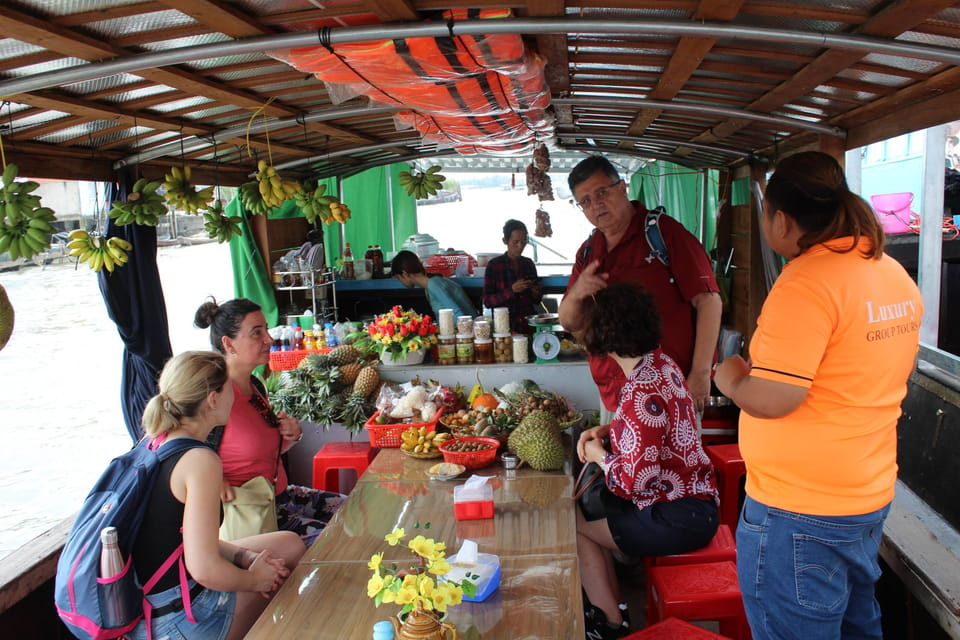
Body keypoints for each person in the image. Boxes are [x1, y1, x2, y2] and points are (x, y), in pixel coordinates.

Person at [714, 151, 923, 640]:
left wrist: (731, 379)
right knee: (855, 627)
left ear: (781, 219)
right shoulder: (889, 272)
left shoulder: (807, 282)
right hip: (865, 495)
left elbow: (778, 397)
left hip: (800, 511)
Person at [576, 282, 719, 640]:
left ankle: (610, 623)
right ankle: (615, 609)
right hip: (695, 503)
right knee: (589, 518)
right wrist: (607, 433)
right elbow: (656, 433)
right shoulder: (660, 363)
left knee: (575, 528)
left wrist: (599, 455)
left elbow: (631, 482)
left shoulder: (641, 391)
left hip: (676, 515)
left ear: (603, 338)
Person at [130, 350, 305, 640]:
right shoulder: (200, 461)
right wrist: (253, 579)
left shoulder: (154, 441)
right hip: (176, 618)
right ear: (213, 399)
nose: (234, 396)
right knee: (275, 579)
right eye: (228, 389)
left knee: (289, 545)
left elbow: (183, 543)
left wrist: (243, 556)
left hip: (150, 604)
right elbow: (204, 568)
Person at [559, 155, 722, 413]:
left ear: (623, 188)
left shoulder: (665, 235)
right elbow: (569, 322)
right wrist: (577, 292)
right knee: (615, 455)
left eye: (602, 192)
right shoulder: (589, 252)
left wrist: (701, 373)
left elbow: (709, 302)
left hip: (671, 393)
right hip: (615, 394)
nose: (596, 205)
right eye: (586, 201)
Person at [195, 298, 344, 545]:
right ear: (228, 343)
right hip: (251, 512)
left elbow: (260, 452)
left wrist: (288, 437)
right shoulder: (213, 397)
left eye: (266, 330)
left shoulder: (255, 386)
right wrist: (211, 480)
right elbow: (175, 447)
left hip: (280, 496)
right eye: (257, 333)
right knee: (335, 541)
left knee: (355, 511)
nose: (269, 339)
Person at [482, 219, 542, 334]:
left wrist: (536, 292)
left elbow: (536, 300)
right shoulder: (494, 265)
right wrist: (512, 290)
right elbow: (487, 301)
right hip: (505, 327)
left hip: (528, 325)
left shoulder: (528, 264)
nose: (520, 246)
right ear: (505, 241)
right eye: (516, 242)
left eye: (524, 242)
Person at [390, 250, 477, 318]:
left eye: (399, 278)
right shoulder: (431, 284)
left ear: (405, 274)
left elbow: (458, 314)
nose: (400, 281)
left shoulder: (434, 284)